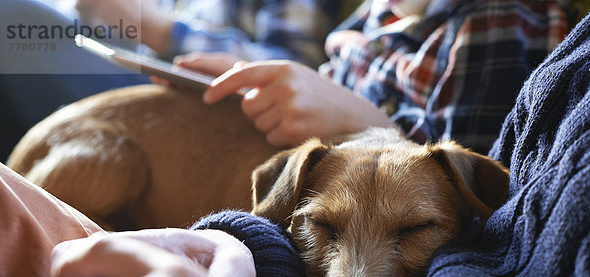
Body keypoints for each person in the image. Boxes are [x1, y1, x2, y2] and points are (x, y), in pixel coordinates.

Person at [0, 8, 590, 277]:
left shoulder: (498, 25)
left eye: (413, 232)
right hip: (128, 152)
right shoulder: (367, 24)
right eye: (321, 228)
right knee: (11, 21)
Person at [174, 0, 568, 153]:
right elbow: (327, 87)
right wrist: (263, 83)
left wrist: (361, 122)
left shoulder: (495, 19)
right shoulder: (380, 12)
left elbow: (473, 184)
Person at [0, 0, 340, 162]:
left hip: (201, 109)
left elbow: (298, 75)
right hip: (143, 71)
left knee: (6, 16)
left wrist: (164, 30)